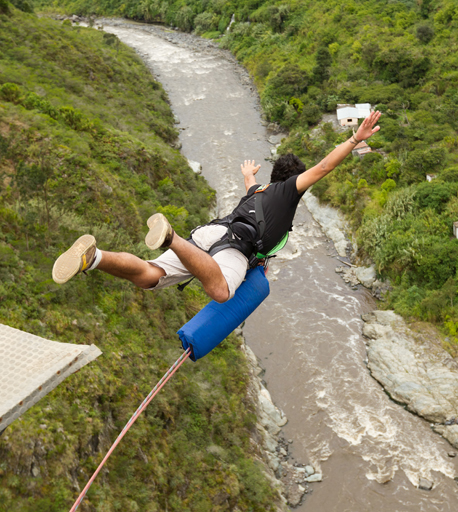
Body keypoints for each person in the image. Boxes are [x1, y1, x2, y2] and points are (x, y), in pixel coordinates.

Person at [52, 111, 381, 302]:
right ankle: (170, 239)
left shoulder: (260, 189)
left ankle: (93, 258)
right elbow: (323, 167)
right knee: (221, 291)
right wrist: (354, 140)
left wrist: (248, 175)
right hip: (234, 246)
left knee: (149, 276)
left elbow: (252, 188)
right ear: (295, 180)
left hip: (211, 233)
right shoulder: (288, 191)